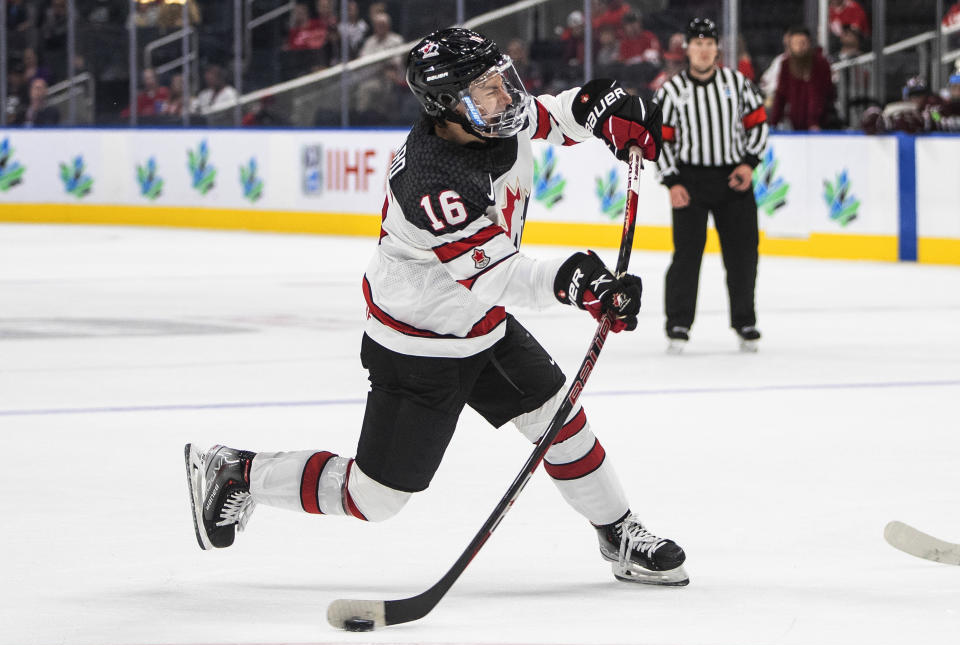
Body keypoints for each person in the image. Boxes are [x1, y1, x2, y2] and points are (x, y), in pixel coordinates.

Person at [185, 26, 689, 587]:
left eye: (502, 80)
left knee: (561, 422)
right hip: (417, 346)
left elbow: (555, 116)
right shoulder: (434, 181)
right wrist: (578, 283)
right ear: (447, 108)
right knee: (376, 498)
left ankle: (617, 531)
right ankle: (238, 472)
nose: (506, 96)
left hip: (483, 327)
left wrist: (600, 106)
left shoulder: (492, 116)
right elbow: (497, 276)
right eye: (487, 90)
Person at [654, 18, 769, 353]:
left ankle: (745, 320)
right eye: (697, 43)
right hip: (690, 181)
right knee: (687, 255)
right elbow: (661, 141)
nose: (703, 50)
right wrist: (672, 181)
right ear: (687, 48)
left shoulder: (737, 84)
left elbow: (758, 124)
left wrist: (749, 164)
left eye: (709, 43)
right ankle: (678, 323)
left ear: (717, 48)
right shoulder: (672, 91)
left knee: (744, 254)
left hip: (733, 179)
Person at [769, 25, 836, 131]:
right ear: (790, 45)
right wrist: (773, 123)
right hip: (795, 123)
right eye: (795, 44)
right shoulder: (786, 65)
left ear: (809, 44)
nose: (799, 47)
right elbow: (780, 96)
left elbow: (822, 95)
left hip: (820, 124)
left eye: (803, 43)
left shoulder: (821, 64)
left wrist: (814, 122)